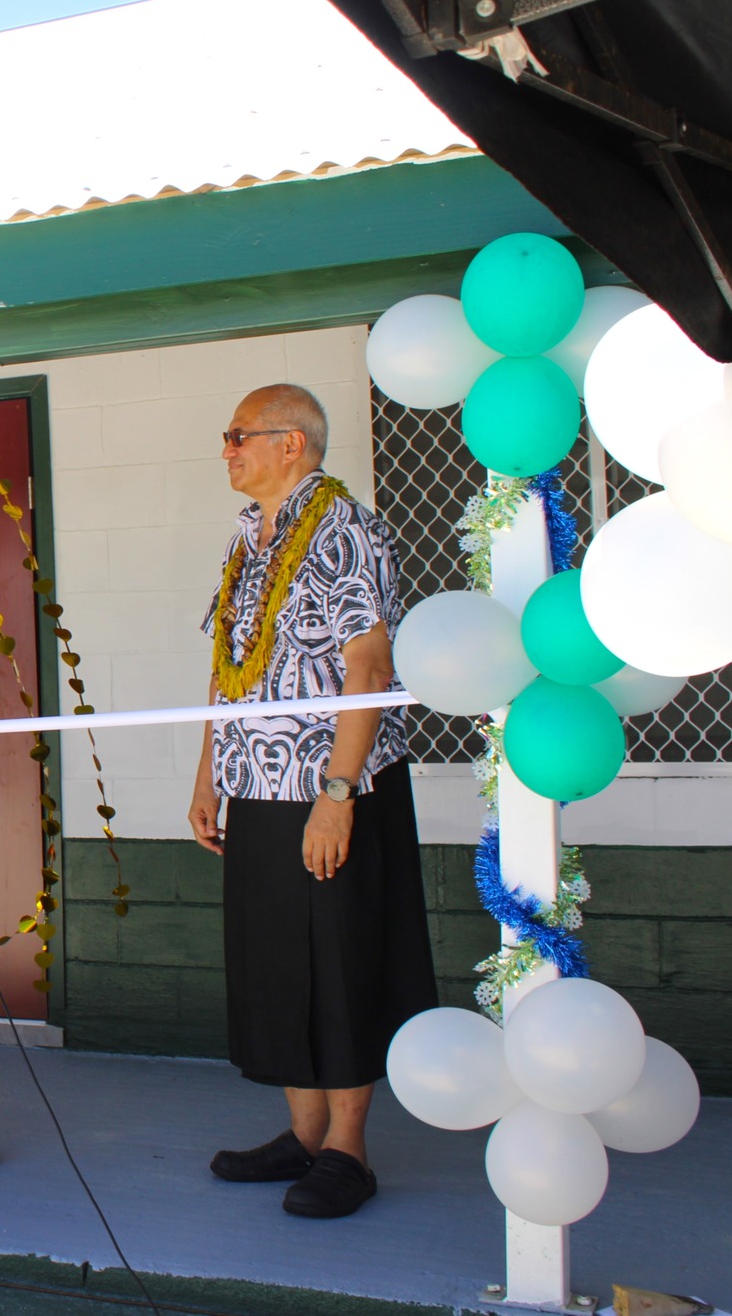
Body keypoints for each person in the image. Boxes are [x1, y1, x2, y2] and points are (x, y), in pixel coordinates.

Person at [188, 384, 436, 1220]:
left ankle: (347, 1149)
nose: (228, 449)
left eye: (239, 434)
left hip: (332, 785)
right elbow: (229, 669)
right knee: (276, 966)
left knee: (341, 961)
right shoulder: (245, 536)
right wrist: (208, 776)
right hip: (256, 785)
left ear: (290, 443)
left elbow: (368, 663)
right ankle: (302, 1134)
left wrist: (337, 793)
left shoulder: (344, 528)